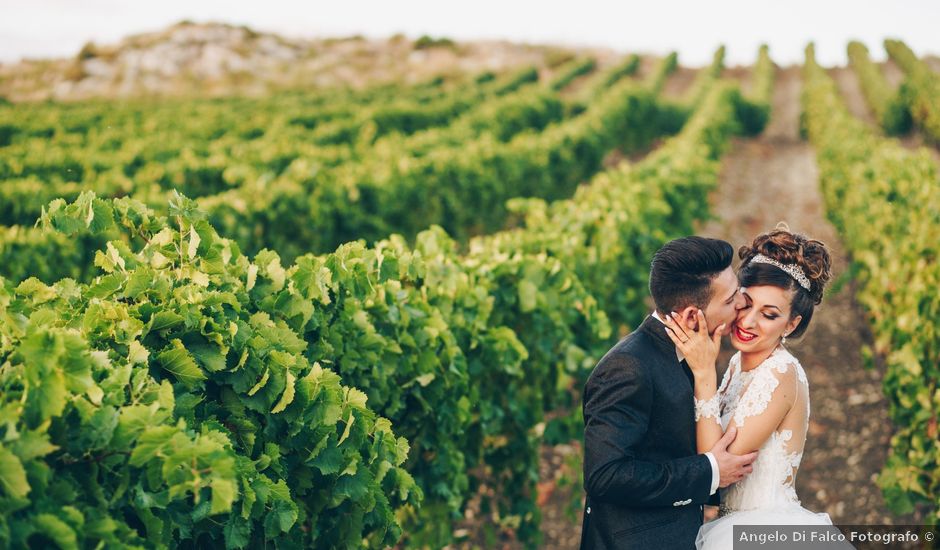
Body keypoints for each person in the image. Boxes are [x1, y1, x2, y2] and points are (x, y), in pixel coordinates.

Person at [659, 226, 846, 549]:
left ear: (791, 324)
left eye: (769, 315)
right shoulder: (737, 364)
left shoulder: (780, 373)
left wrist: (704, 375)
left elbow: (716, 468)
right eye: (745, 304)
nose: (747, 322)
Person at [580, 236, 757, 550]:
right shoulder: (626, 368)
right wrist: (710, 470)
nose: (741, 304)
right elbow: (605, 475)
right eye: (730, 300)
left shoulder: (696, 352)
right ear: (692, 317)